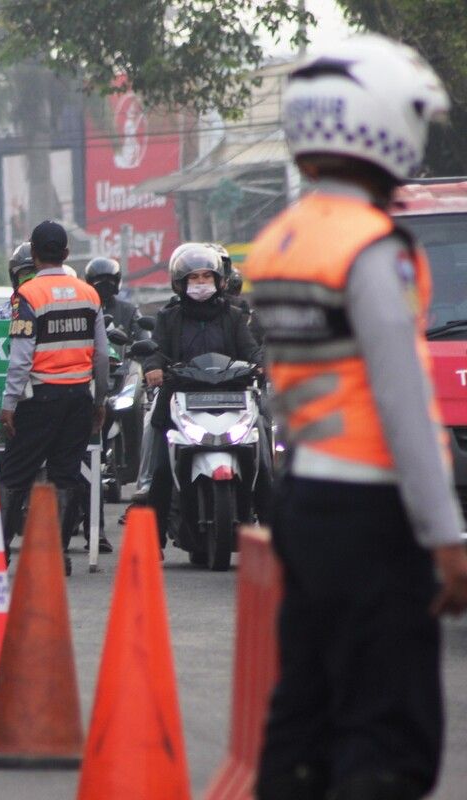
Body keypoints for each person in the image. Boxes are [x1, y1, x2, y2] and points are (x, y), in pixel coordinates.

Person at [242, 35, 467, 800]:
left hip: (304, 498)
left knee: (304, 708)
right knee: (388, 727)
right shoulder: (374, 247)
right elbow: (403, 402)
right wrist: (445, 535)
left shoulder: (279, 243)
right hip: (374, 509)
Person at [0, 220, 108, 573]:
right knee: (65, 476)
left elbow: (21, 357)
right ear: (66, 254)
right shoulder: (90, 294)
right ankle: (57, 555)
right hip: (78, 398)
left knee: (14, 475)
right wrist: (100, 399)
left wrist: (9, 404)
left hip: (39, 399)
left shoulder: (27, 296)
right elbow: (102, 355)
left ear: (33, 254)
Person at [141, 244, 264, 542]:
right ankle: (153, 540)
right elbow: (155, 351)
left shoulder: (234, 317)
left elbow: (250, 350)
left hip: (234, 399)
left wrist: (262, 364)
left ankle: (276, 538)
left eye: (205, 277)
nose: (200, 284)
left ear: (219, 281)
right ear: (180, 283)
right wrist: (154, 366)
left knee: (265, 466)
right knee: (159, 472)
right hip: (180, 399)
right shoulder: (169, 318)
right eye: (193, 278)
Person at [84, 256, 142, 335]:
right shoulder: (81, 311)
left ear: (117, 282)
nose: (105, 284)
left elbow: (142, 337)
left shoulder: (129, 311)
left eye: (110, 279)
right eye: (99, 280)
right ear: (89, 283)